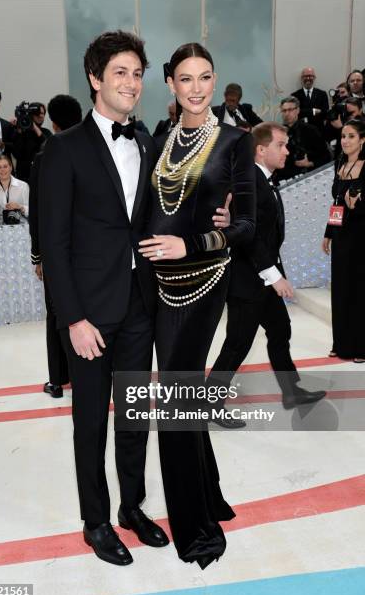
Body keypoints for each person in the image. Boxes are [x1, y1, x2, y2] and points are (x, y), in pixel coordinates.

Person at [39, 30, 170, 567]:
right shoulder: (62, 148)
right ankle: (95, 520)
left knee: (135, 415)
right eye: (120, 72)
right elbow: (54, 242)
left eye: (137, 73)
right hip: (89, 314)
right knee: (90, 422)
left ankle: (131, 506)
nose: (131, 83)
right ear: (95, 79)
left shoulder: (143, 141)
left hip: (140, 305)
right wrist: (72, 318)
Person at [138, 43, 256, 568]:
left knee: (176, 403)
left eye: (205, 77)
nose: (196, 88)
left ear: (215, 80)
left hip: (205, 284)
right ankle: (208, 496)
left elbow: (247, 226)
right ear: (170, 84)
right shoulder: (161, 137)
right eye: (185, 79)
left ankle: (196, 528)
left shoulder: (235, 141)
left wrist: (193, 245)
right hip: (159, 288)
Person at [208, 122, 325, 429]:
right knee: (237, 344)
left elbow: (268, 235)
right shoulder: (249, 183)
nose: (287, 150)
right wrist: (275, 276)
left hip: (264, 278)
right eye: (281, 145)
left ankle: (291, 391)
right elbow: (248, 236)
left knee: (280, 330)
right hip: (248, 280)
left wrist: (276, 274)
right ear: (261, 150)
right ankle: (210, 401)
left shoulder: (265, 181)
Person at [29, 94, 82, 398]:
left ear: (54, 122)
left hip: (55, 250)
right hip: (87, 249)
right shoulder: (91, 151)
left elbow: (37, 211)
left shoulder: (44, 155)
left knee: (57, 313)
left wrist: (38, 255)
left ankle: (59, 380)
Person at [322, 119, 365, 362]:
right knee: (340, 289)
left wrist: (357, 206)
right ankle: (341, 343)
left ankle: (360, 346)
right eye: (343, 136)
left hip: (361, 235)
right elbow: (337, 202)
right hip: (341, 236)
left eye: (351, 136)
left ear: (362, 140)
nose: (345, 141)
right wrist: (329, 232)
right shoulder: (340, 163)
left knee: (358, 290)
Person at [277, 96, 330, 181]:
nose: (287, 113)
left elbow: (326, 156)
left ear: (298, 110)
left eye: (290, 110)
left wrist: (310, 163)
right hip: (288, 180)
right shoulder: (277, 134)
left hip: (313, 176)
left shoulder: (311, 130)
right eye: (284, 110)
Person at [12, 102, 51, 181]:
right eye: (37, 113)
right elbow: (16, 154)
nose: (41, 116)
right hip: (23, 178)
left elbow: (49, 148)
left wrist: (35, 128)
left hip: (41, 176)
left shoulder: (46, 132)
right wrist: (19, 131)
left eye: (43, 113)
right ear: (30, 114)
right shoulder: (20, 133)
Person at [0, 154, 29, 221]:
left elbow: (31, 211)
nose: (2, 170)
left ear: (11, 168)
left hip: (19, 225)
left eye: (5, 166)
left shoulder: (24, 186)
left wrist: (19, 206)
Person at [291, 67, 329, 133]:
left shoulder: (322, 94)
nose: (308, 78)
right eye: (305, 76)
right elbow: (295, 113)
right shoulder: (294, 95)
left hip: (319, 131)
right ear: (301, 78)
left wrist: (304, 112)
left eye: (310, 76)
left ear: (314, 78)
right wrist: (313, 111)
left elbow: (325, 113)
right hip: (301, 132)